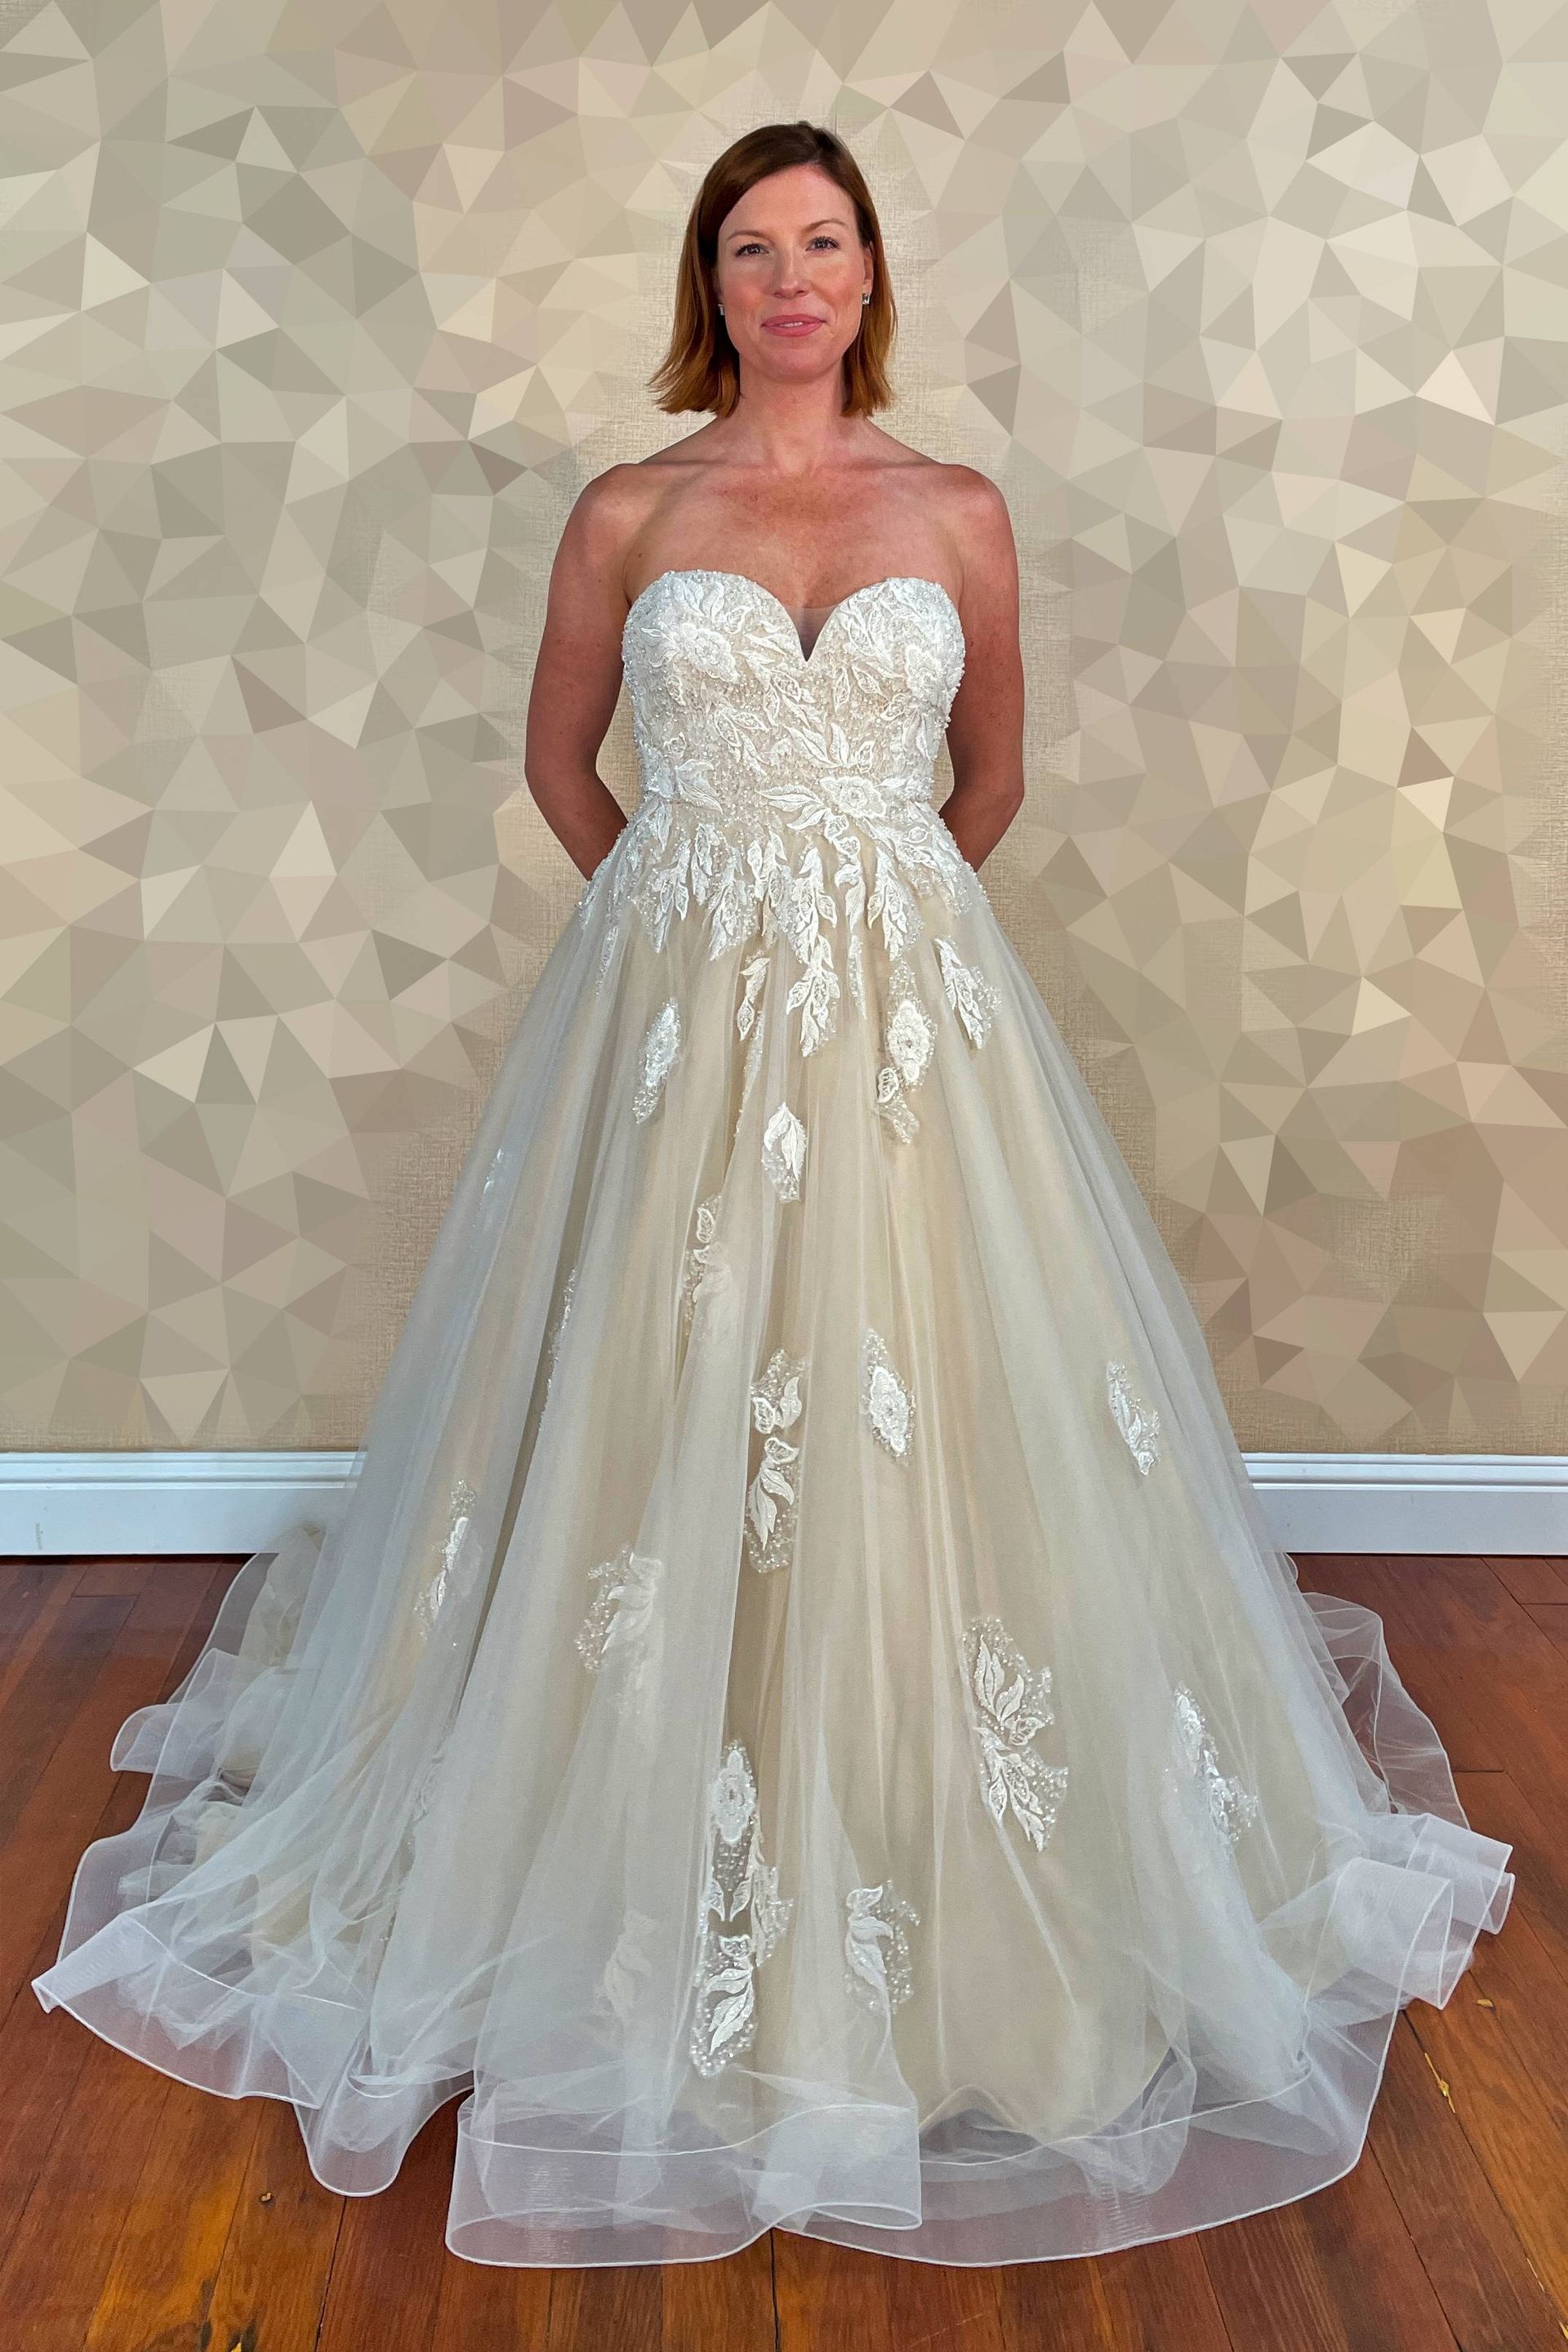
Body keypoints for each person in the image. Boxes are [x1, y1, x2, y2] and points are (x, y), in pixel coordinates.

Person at [33, 118, 1513, 2272]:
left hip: (913, 1032)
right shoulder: (634, 510)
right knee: (668, 1388)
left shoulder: (959, 512)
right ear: (706, 285)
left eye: (825, 241)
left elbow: (988, 781)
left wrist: (874, 940)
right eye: (750, 246)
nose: (791, 277)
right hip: (677, 1015)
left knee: (916, 1392)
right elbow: (566, 764)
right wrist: (695, 927)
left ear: (871, 273)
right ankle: (594, 1836)